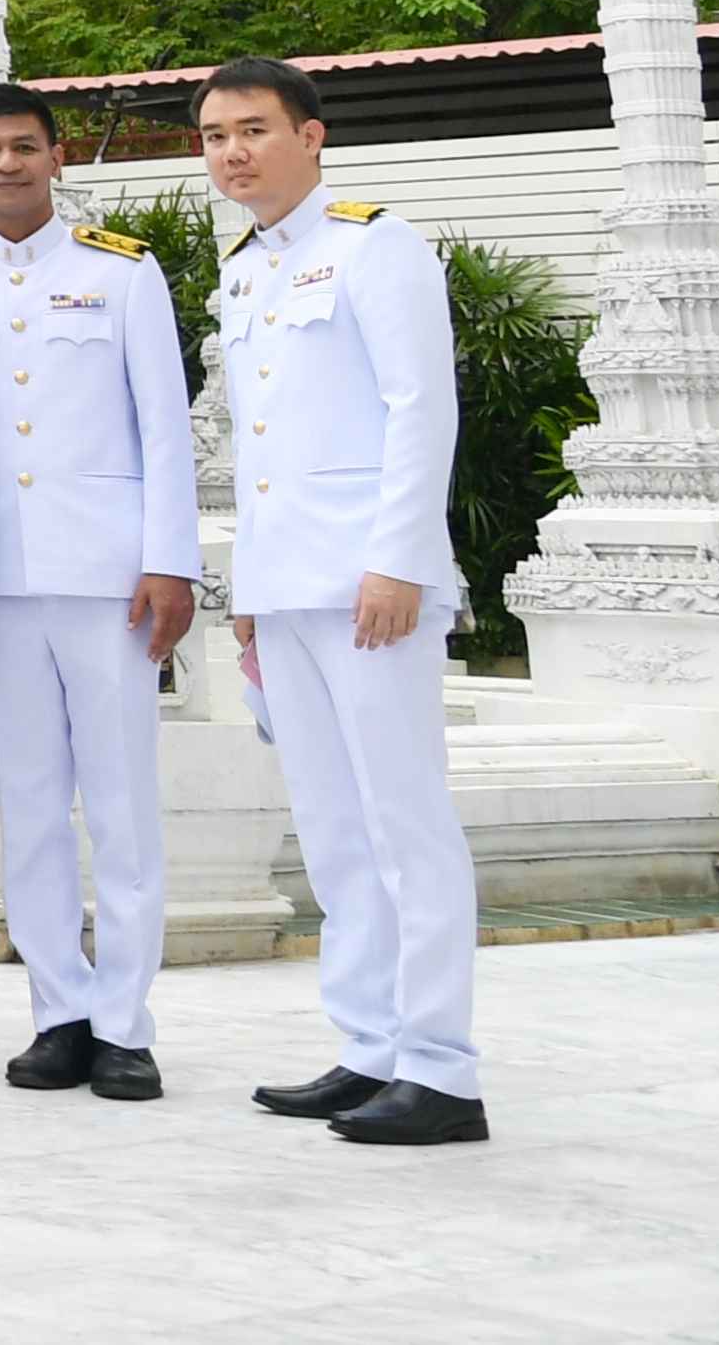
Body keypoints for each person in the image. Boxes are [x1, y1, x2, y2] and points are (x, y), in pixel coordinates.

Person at [205, 56, 486, 1147]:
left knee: (403, 820)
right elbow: (259, 444)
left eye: (252, 128)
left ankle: (440, 1068)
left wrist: (400, 560)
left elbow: (421, 407)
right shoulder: (242, 269)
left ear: (309, 135)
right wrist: (250, 584)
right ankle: (368, 1044)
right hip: (286, 585)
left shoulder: (377, 245)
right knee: (331, 828)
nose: (232, 150)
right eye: (214, 134)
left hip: (373, 582)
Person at [0, 79, 202, 1103]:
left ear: (56, 155)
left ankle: (124, 1022)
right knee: (28, 805)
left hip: (105, 577)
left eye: (23, 146)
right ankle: (59, 1010)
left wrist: (169, 559)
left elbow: (163, 423)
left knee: (121, 804)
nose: (5, 163)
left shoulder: (118, 270)